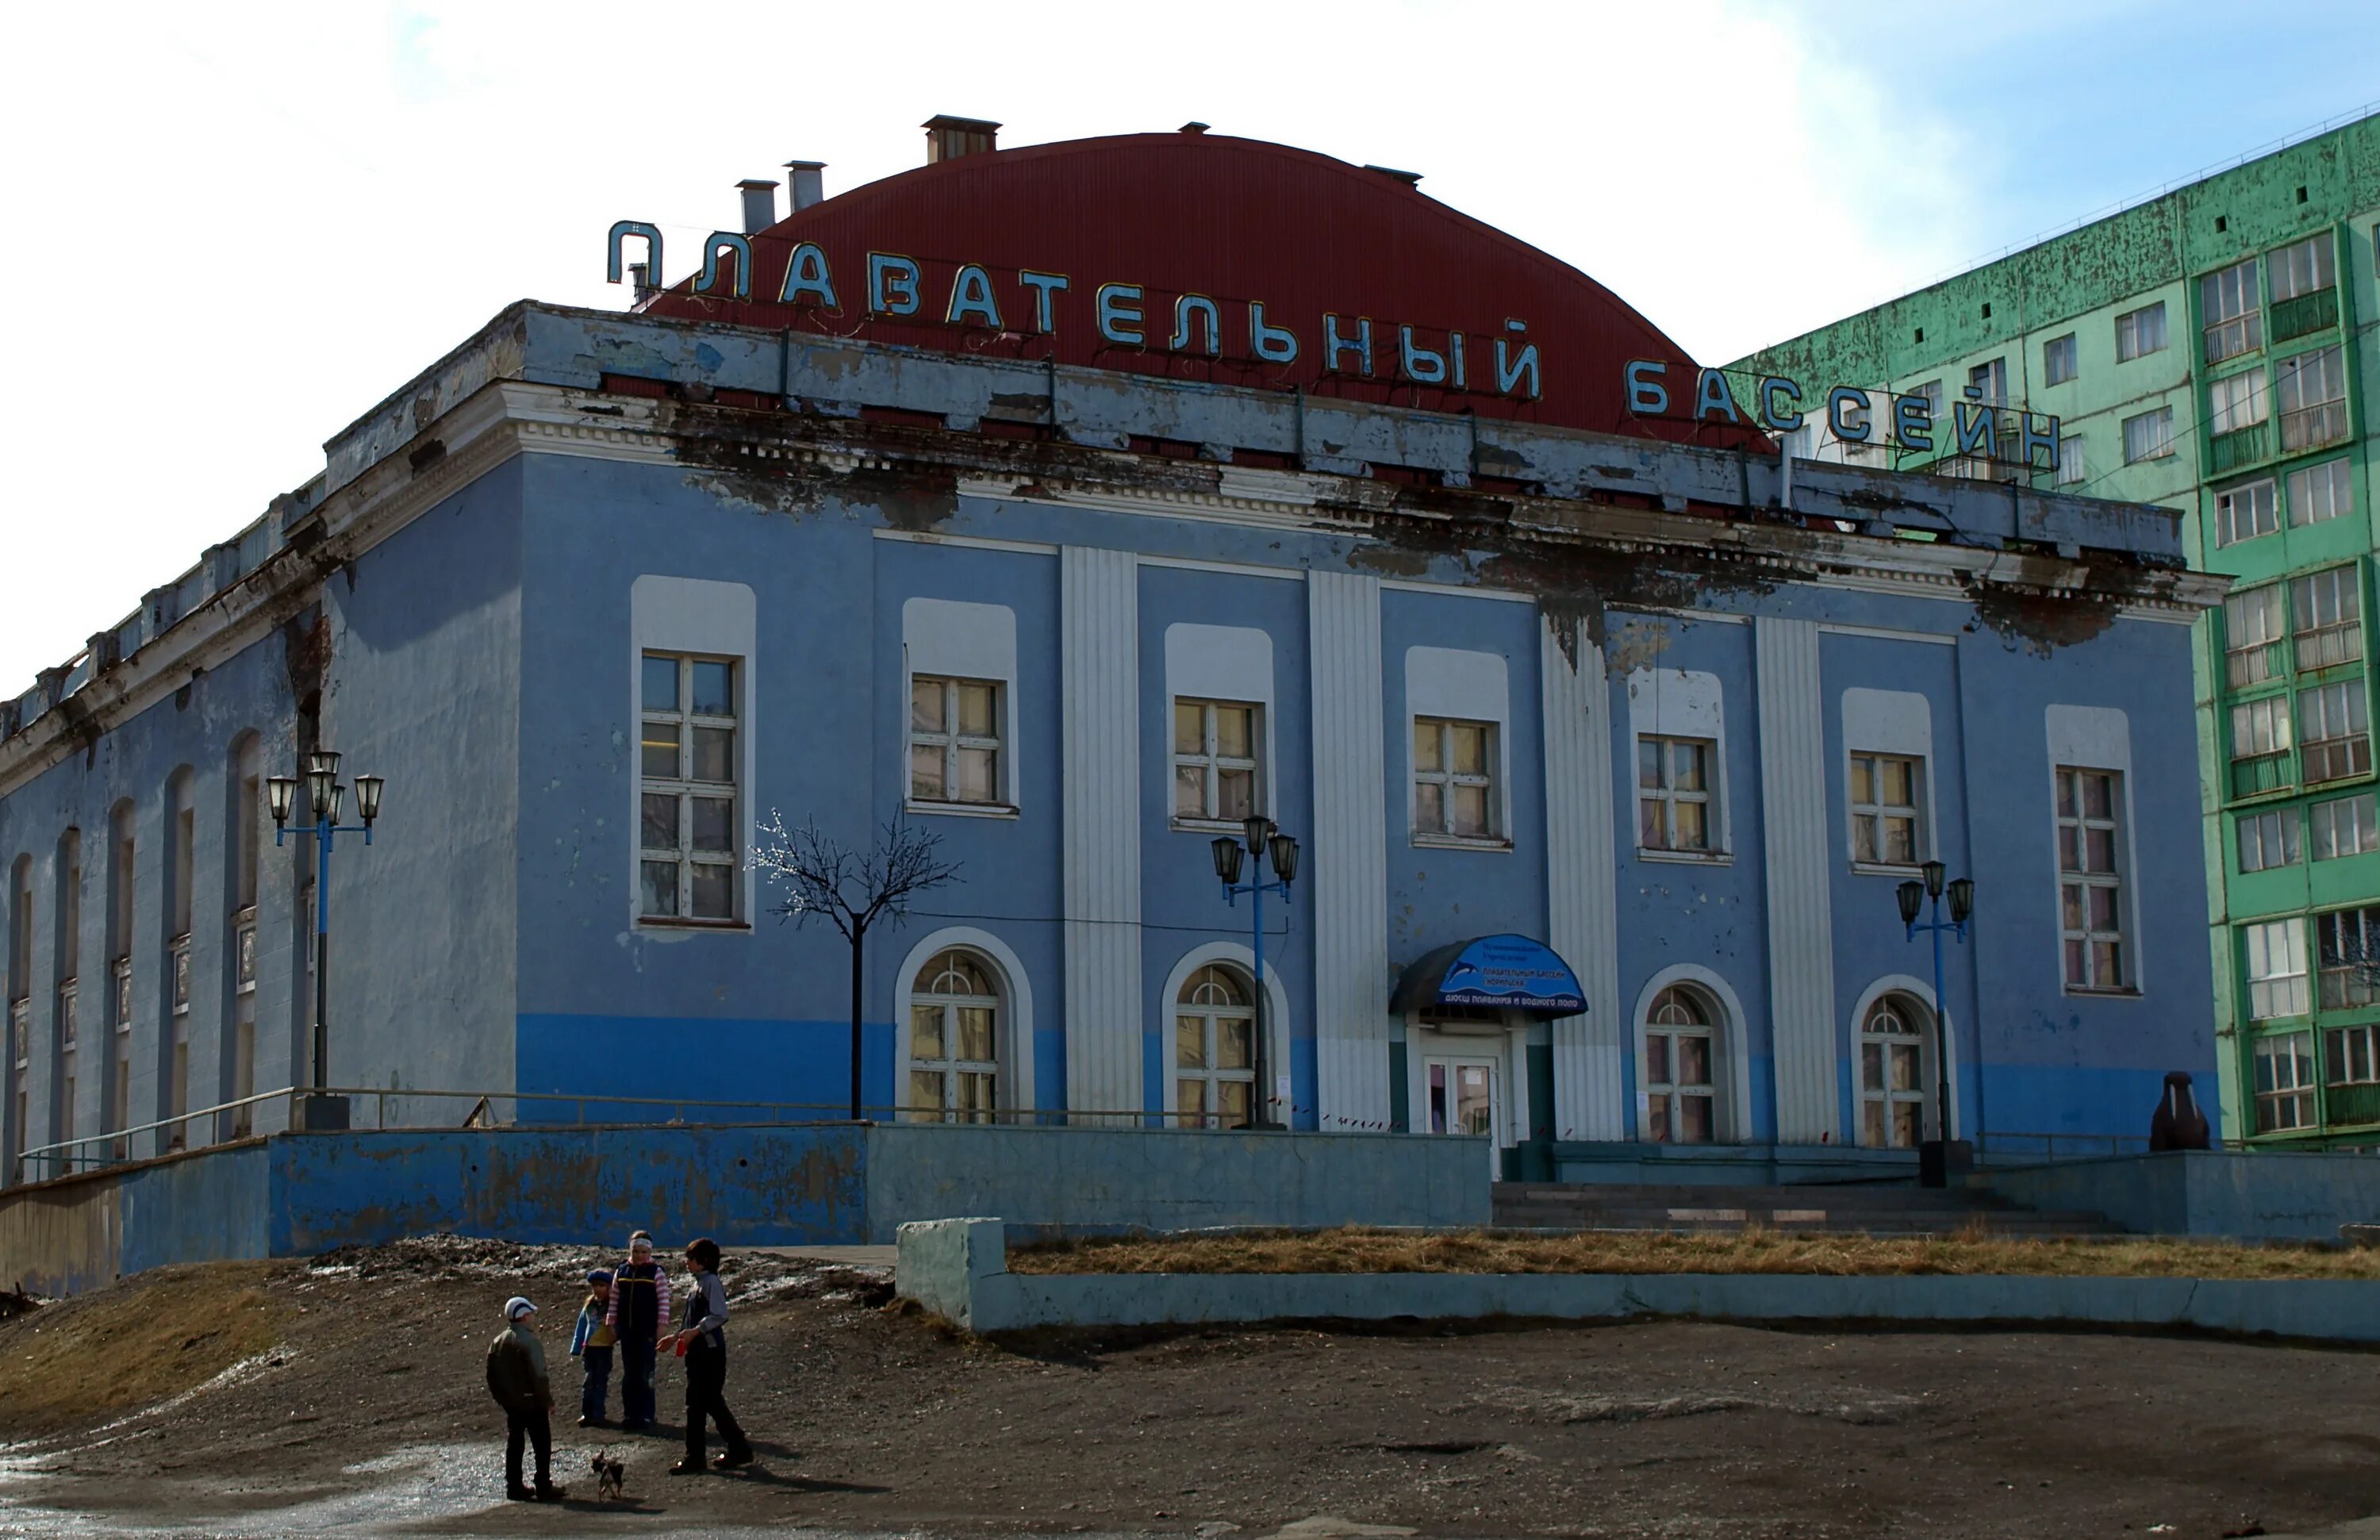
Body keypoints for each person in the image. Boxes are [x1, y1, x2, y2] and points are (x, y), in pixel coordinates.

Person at [670, 1237, 754, 1475]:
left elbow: (719, 1315)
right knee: (705, 1403)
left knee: (702, 1403)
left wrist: (695, 1332)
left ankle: (700, 1456)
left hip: (709, 1354)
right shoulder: (698, 1284)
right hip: (698, 1352)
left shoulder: (710, 1283)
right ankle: (734, 1448)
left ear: (704, 1261)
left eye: (691, 1259)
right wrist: (677, 1337)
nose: (687, 1262)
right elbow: (692, 1321)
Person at [485, 1296, 566, 1502]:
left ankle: (514, 1486)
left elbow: (491, 1374)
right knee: (541, 1444)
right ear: (523, 1317)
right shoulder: (529, 1341)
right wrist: (547, 1401)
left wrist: (503, 1399)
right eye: (530, 1314)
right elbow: (539, 1375)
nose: (532, 1318)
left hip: (512, 1403)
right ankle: (543, 1486)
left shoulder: (498, 1341)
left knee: (515, 1443)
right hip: (532, 1402)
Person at [605, 1230, 671, 1431]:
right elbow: (614, 1300)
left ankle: (647, 1414)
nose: (640, 1256)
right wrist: (611, 1324)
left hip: (647, 1331)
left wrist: (661, 1326)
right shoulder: (622, 1271)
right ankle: (630, 1414)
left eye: (644, 1252)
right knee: (629, 1373)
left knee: (646, 1373)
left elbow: (664, 1301)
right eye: (636, 1251)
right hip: (627, 1331)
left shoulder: (655, 1273)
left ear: (649, 1252)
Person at [569, 1269, 617, 1427]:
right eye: (594, 1286)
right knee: (589, 1381)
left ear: (609, 1287)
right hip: (590, 1349)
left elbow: (617, 1329)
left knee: (600, 1381)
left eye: (601, 1285)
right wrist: (576, 1347)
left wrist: (610, 1325)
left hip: (604, 1349)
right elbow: (581, 1326)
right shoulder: (589, 1306)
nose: (597, 1289)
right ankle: (586, 1413)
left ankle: (598, 1414)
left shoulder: (612, 1306)